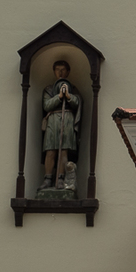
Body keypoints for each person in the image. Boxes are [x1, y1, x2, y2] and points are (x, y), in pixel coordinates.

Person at [41, 60, 81, 190]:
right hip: (53, 120)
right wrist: (59, 96)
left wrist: (68, 96)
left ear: (68, 72)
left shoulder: (73, 88)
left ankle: (60, 178)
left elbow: (77, 102)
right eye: (57, 69)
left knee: (64, 151)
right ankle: (48, 178)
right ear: (54, 71)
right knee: (51, 150)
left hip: (67, 119)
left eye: (63, 69)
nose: (60, 72)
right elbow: (46, 105)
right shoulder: (49, 89)